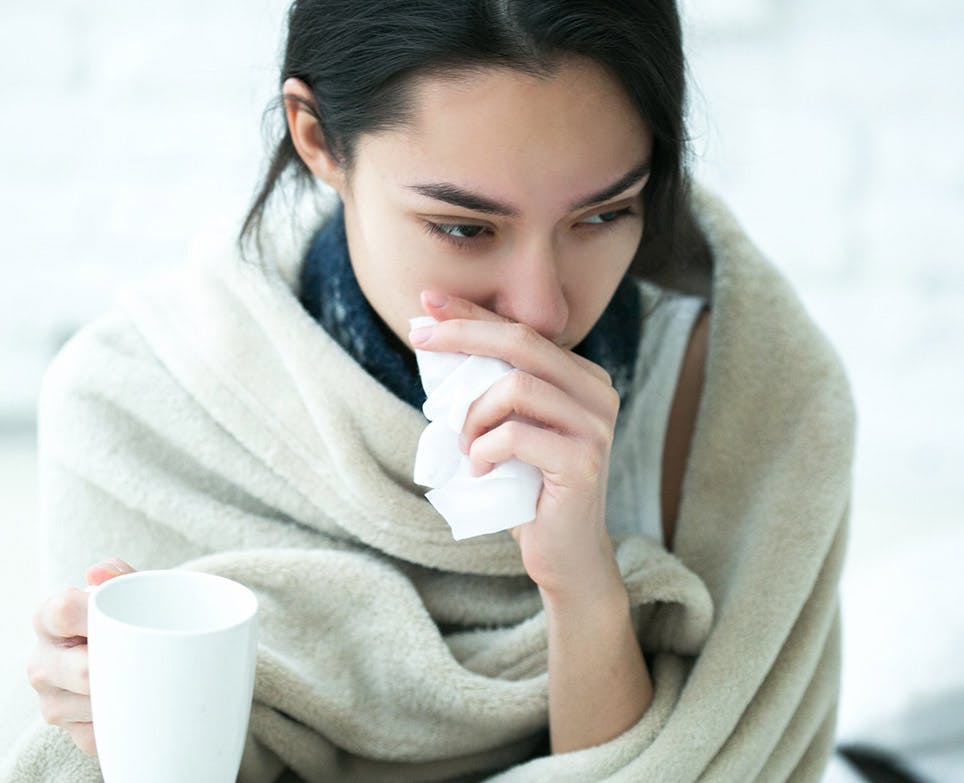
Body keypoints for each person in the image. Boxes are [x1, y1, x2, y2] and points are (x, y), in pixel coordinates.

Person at [6, 1, 855, 781]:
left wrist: (583, 585)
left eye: (602, 214)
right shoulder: (140, 408)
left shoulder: (743, 399)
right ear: (317, 139)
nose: (541, 307)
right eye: (463, 228)